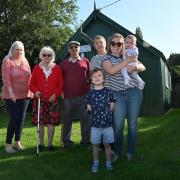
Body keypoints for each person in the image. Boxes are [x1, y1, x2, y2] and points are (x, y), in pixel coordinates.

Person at [102, 33, 146, 161]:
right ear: (110, 45)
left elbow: (143, 66)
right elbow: (111, 71)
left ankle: (130, 153)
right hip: (117, 94)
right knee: (118, 125)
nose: (116, 46)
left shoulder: (129, 54)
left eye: (119, 43)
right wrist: (127, 61)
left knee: (132, 124)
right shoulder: (106, 59)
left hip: (134, 92)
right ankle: (117, 153)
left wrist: (136, 66)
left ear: (123, 45)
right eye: (113, 43)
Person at [30, 46, 63, 151]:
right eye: (44, 55)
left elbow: (60, 84)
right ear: (41, 56)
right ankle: (41, 144)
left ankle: (49, 144)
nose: (46, 57)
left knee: (51, 122)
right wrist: (35, 92)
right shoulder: (36, 68)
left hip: (52, 100)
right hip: (39, 99)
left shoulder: (57, 68)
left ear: (52, 56)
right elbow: (31, 83)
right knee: (41, 123)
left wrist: (55, 94)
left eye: (49, 55)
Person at [1, 41, 32, 153]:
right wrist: (11, 93)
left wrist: (31, 90)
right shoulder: (7, 61)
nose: (19, 52)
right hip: (11, 95)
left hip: (25, 94)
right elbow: (6, 79)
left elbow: (30, 76)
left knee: (21, 119)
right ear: (12, 49)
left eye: (21, 50)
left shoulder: (25, 60)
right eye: (16, 49)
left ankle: (17, 142)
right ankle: (8, 145)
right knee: (14, 118)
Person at [61, 41, 90, 148]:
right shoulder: (64, 63)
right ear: (68, 50)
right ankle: (66, 142)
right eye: (71, 47)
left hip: (84, 95)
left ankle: (85, 142)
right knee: (67, 119)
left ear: (79, 48)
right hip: (68, 96)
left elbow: (91, 77)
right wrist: (61, 92)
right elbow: (60, 80)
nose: (74, 49)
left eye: (76, 47)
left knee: (85, 119)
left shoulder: (85, 61)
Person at [86, 68, 115, 173]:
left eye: (99, 76)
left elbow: (112, 105)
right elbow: (88, 106)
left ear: (104, 78)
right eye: (94, 76)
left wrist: (108, 110)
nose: (97, 78)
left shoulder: (109, 92)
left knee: (107, 145)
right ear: (91, 80)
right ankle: (96, 163)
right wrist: (89, 107)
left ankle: (108, 163)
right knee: (96, 145)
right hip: (95, 125)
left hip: (107, 124)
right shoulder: (90, 93)